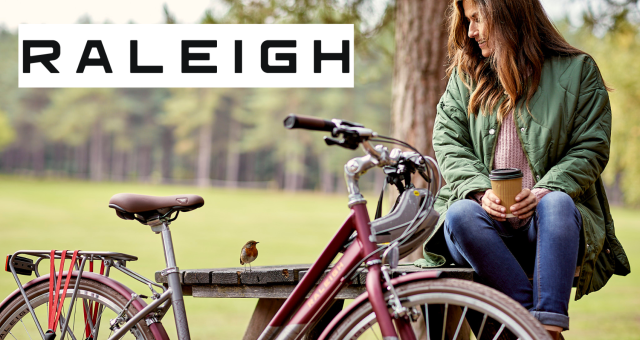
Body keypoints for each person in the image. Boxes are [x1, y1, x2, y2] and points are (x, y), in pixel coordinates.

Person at [427, 0, 631, 339]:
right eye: (467, 21)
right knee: (460, 213)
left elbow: (591, 147)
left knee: (558, 203)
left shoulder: (578, 70)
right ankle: (543, 329)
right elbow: (448, 142)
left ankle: (536, 324)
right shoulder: (466, 76)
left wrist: (544, 191)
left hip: (549, 228)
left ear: (507, 13)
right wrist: (480, 191)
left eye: (477, 19)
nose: (471, 31)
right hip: (481, 230)